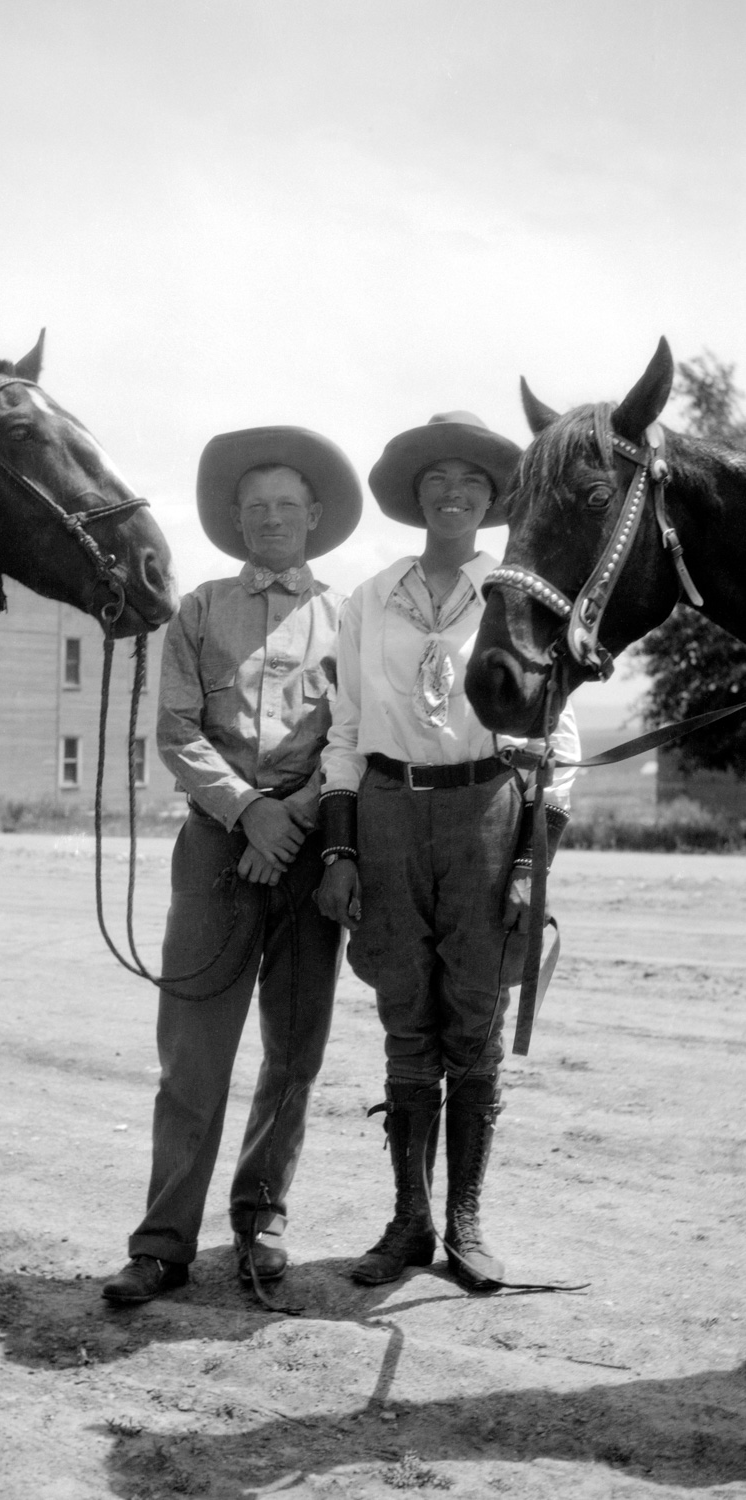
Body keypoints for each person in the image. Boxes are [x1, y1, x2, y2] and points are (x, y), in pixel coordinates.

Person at [317, 411, 579, 1291]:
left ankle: (466, 1221)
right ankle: (408, 1222)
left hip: (487, 812)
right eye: (437, 480)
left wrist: (529, 861)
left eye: (471, 481)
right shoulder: (368, 597)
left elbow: (560, 735)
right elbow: (346, 732)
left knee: (474, 1026)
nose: (454, 494)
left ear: (494, 498)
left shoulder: (520, 593)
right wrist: (340, 851)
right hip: (388, 815)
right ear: (414, 495)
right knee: (405, 1025)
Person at [103, 426, 362, 1304]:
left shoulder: (349, 618)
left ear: (315, 518)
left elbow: (352, 736)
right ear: (236, 522)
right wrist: (247, 812)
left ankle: (260, 1222)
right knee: (194, 1057)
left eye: (287, 506)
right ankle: (163, 1242)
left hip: (307, 848)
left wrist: (290, 821)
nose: (271, 520)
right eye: (255, 509)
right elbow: (175, 731)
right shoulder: (199, 610)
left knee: (293, 1053)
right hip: (217, 849)